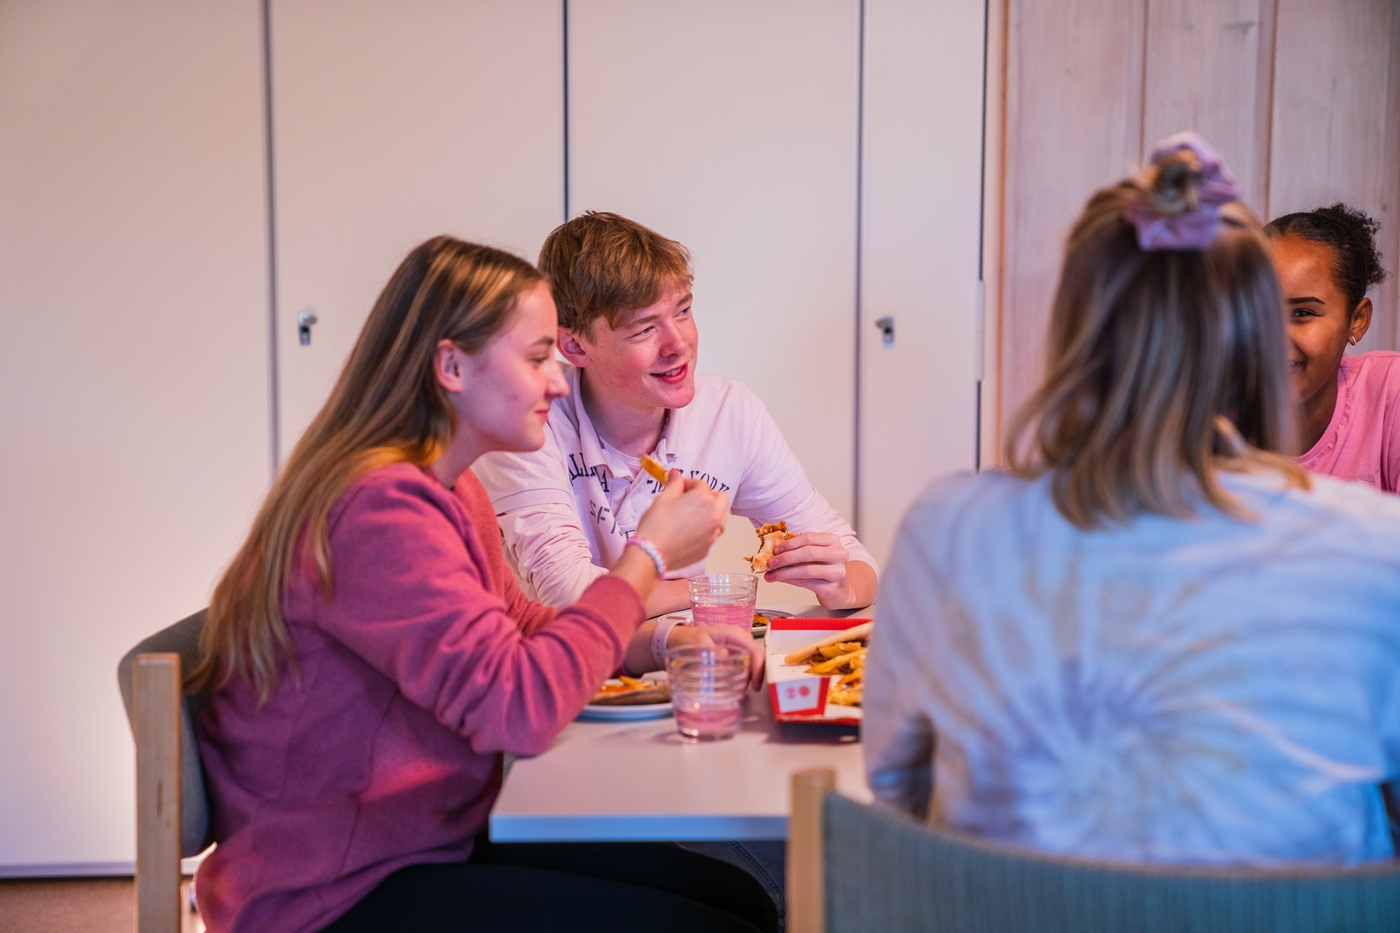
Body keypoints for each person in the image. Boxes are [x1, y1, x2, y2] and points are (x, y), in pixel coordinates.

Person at [187, 236, 776, 933]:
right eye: (537, 359)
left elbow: (521, 625)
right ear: (452, 366)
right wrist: (647, 553)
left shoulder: (448, 483)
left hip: (428, 838)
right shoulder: (380, 509)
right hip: (334, 890)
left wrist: (662, 641)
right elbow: (519, 710)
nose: (558, 384)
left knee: (742, 900)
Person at [864, 133, 1400, 866]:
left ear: (1073, 333)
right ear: (1250, 338)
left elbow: (897, 791)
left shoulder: (947, 530)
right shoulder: (1375, 547)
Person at [473, 211, 878, 618]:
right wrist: (716, 590)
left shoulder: (730, 412)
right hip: (558, 654)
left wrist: (839, 582)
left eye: (683, 311)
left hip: (681, 651)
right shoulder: (529, 417)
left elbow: (861, 566)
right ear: (575, 347)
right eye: (644, 329)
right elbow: (569, 596)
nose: (678, 344)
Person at [1264, 203, 1399, 491]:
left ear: (1357, 321)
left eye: (1303, 313)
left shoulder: (1390, 392)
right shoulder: (1206, 407)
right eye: (1258, 312)